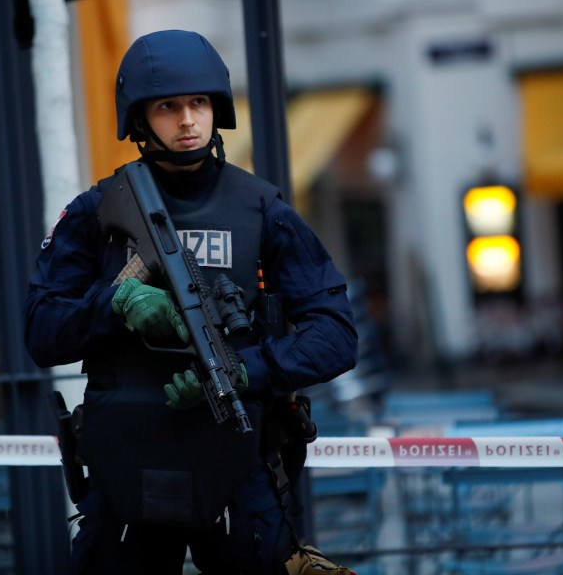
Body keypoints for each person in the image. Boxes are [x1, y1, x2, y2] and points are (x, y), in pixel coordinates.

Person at [24, 29, 358, 575]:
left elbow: (337, 335)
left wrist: (246, 372)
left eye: (199, 103)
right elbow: (41, 330)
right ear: (138, 119)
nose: (187, 120)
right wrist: (116, 304)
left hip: (235, 464)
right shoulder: (95, 213)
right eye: (168, 106)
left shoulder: (262, 211)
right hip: (125, 468)